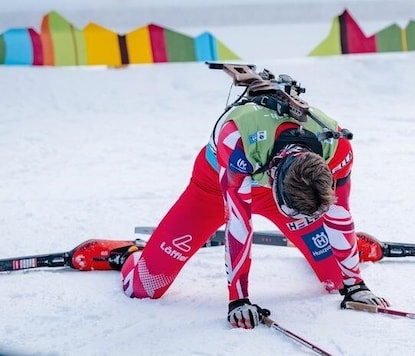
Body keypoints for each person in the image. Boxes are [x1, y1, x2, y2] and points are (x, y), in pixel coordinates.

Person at [119, 63, 389, 329]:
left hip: (286, 192)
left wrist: (355, 285)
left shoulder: (337, 146)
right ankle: (133, 252)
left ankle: (337, 248)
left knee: (335, 283)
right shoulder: (238, 138)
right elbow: (239, 224)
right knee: (143, 288)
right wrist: (239, 299)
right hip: (213, 189)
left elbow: (339, 213)